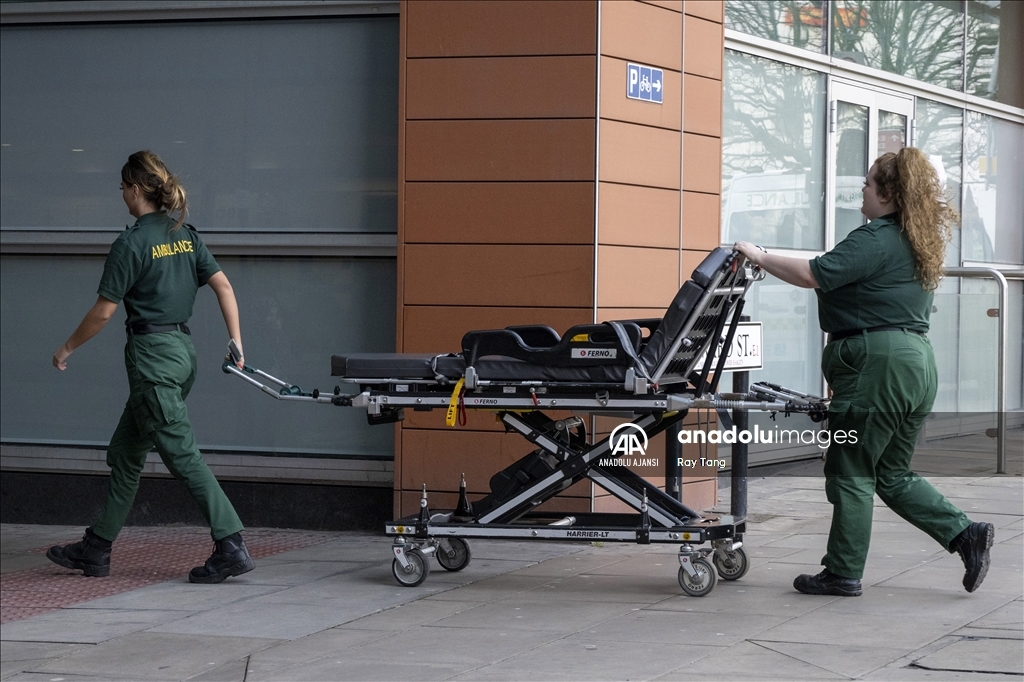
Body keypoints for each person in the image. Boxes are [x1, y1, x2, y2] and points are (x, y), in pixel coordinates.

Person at [734, 146, 993, 597]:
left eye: (869, 183)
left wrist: (758, 255)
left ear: (889, 193)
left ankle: (842, 572)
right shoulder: (915, 240)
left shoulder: (875, 237)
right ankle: (965, 534)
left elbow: (815, 273)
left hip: (879, 366)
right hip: (914, 365)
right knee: (891, 475)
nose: (863, 188)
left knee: (850, 469)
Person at [48, 150, 255, 584]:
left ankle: (231, 541)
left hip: (152, 361)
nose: (121, 195)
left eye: (122, 187)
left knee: (181, 454)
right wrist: (236, 340)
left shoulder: (132, 242)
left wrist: (66, 348)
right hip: (181, 353)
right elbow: (224, 286)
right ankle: (97, 548)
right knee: (127, 452)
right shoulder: (185, 234)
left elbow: (104, 312)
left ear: (136, 190)